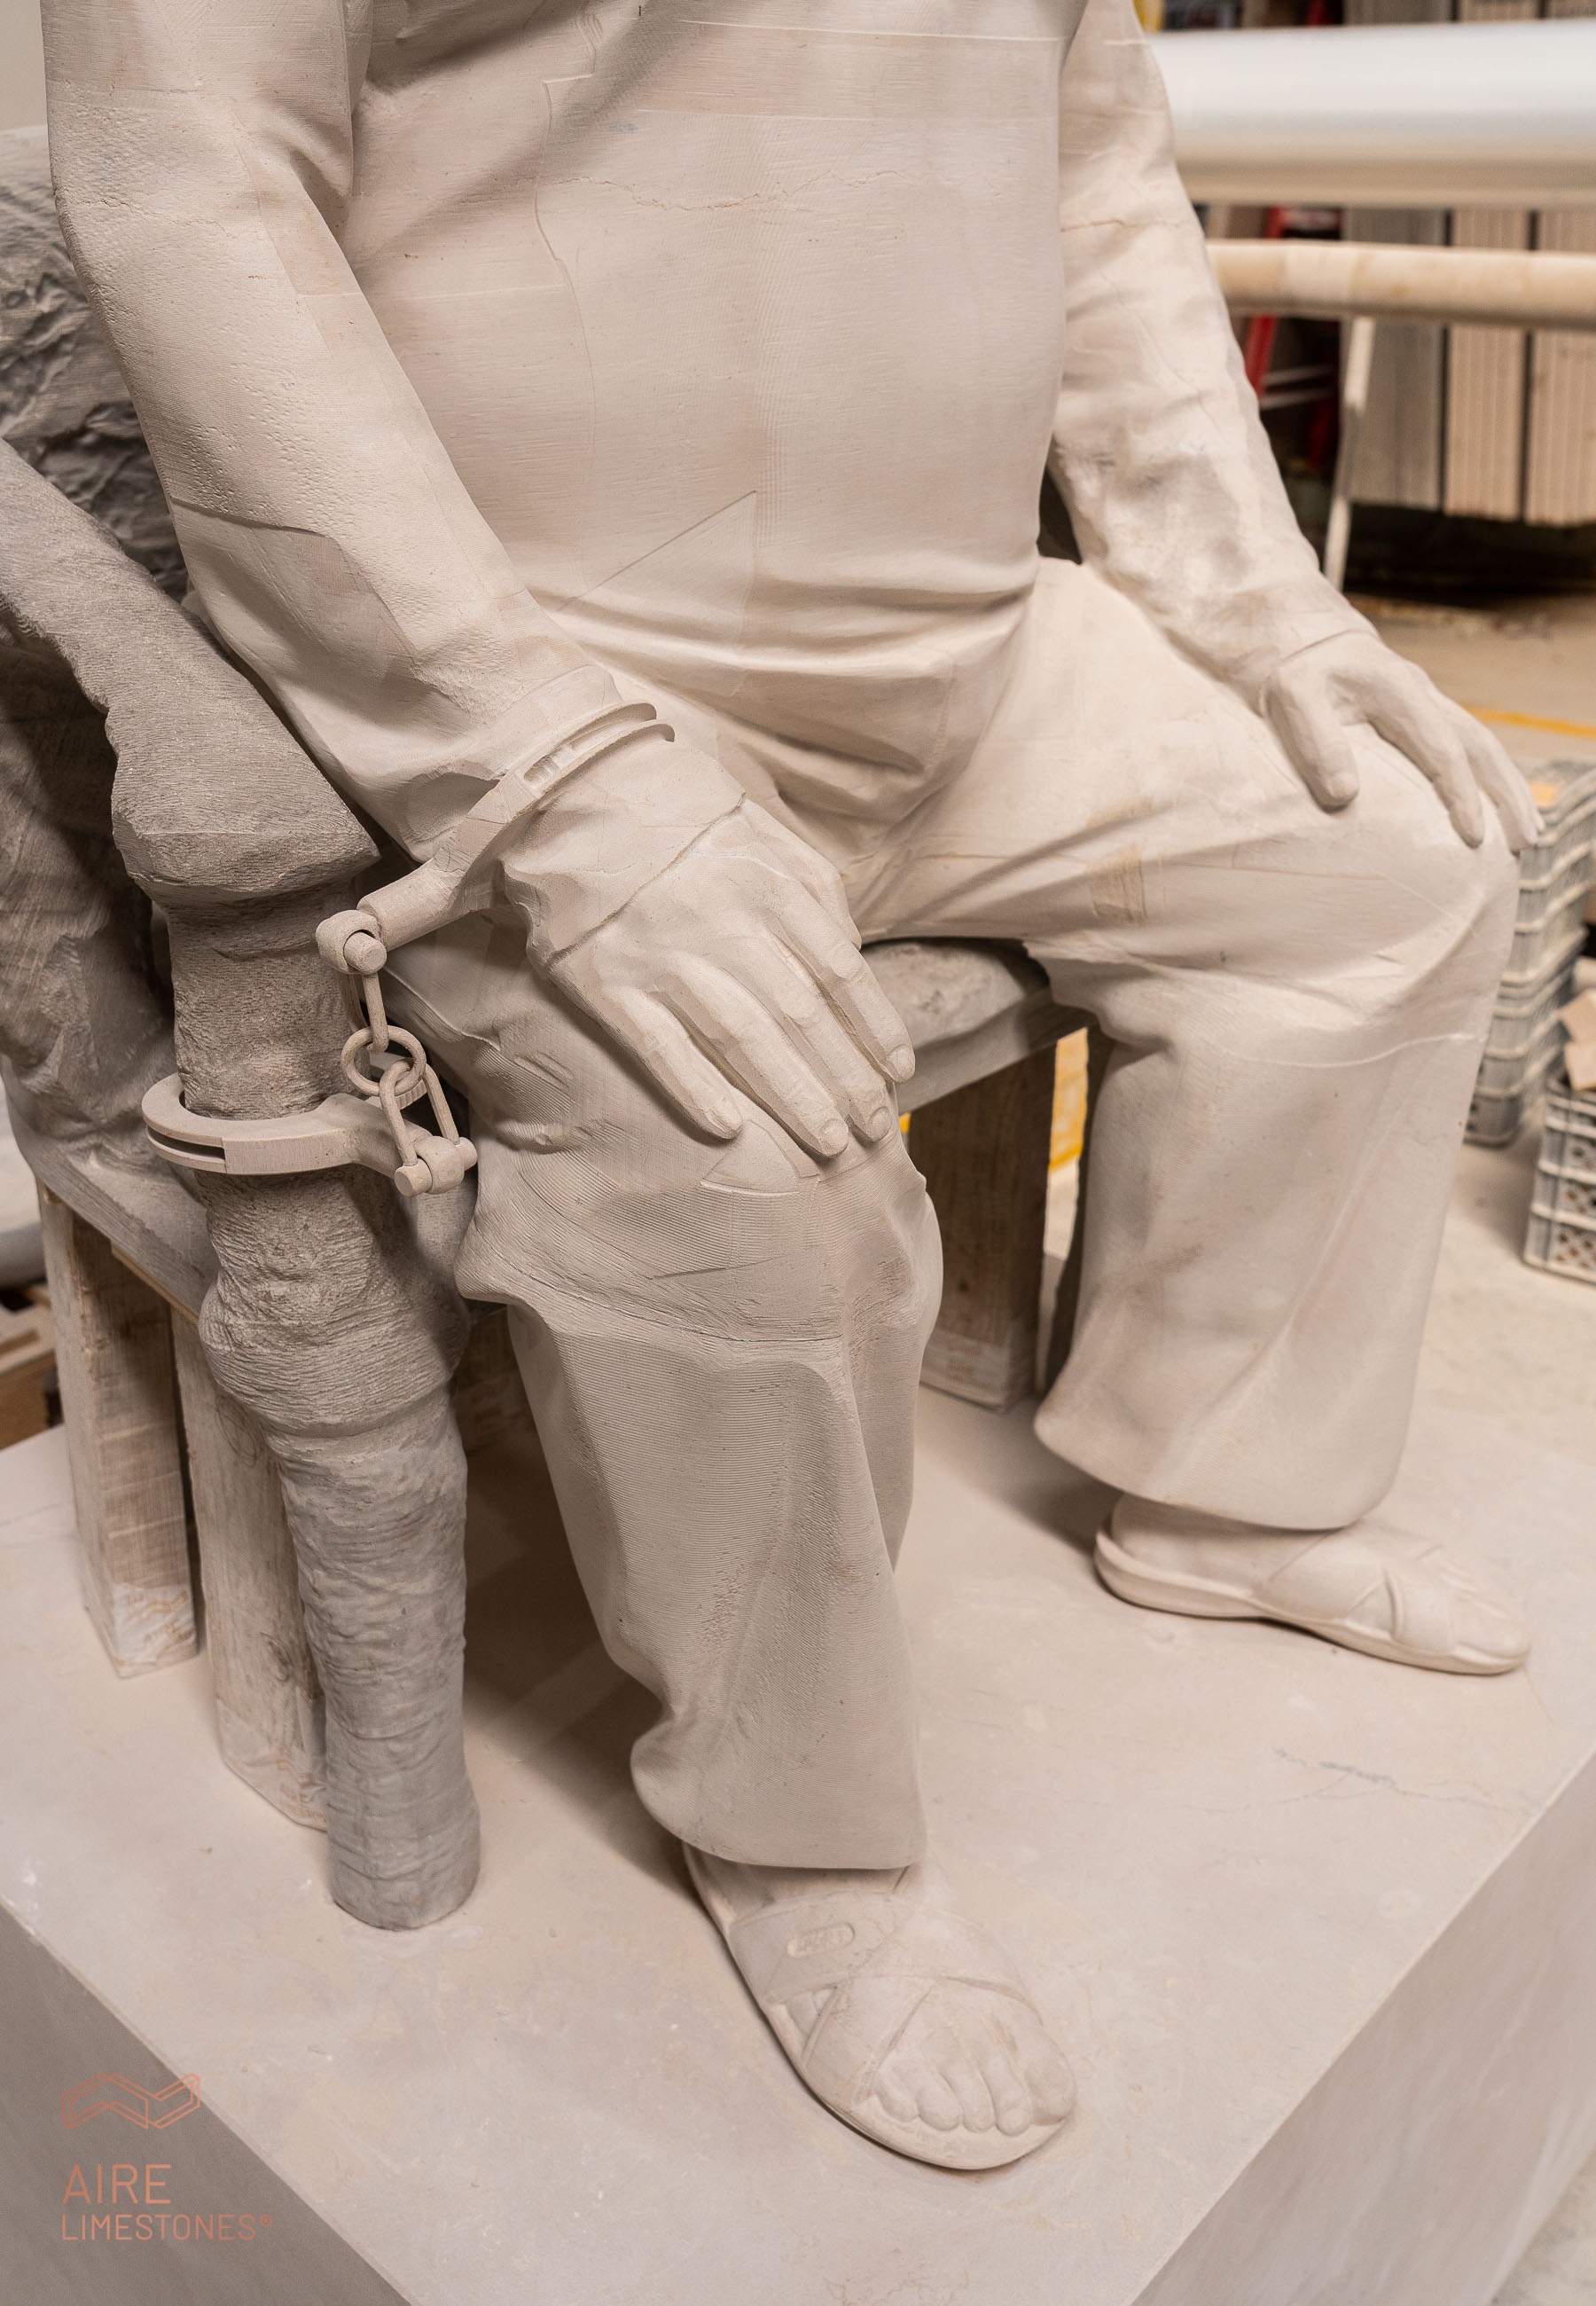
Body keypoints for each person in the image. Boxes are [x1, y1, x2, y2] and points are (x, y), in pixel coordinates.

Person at [43, 0, 1535, 2170]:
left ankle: (1233, 1489)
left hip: (976, 658)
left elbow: (1090, 166)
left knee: (1394, 859)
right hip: (537, 683)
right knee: (747, 1154)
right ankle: (804, 1836)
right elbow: (194, 197)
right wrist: (551, 772)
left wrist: (1252, 595)